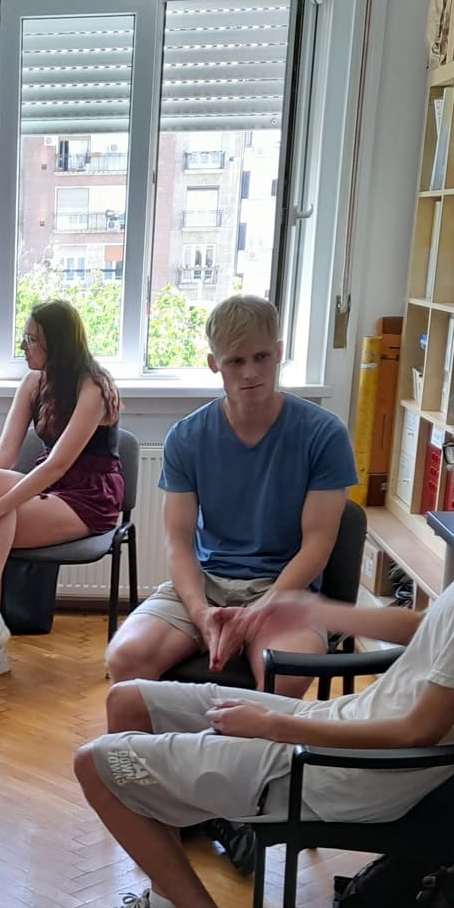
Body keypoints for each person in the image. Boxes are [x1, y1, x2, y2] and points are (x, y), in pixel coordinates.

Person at [66, 368, 454, 908]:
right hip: (332, 735)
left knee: (95, 764)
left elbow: (424, 728)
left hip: (338, 769)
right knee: (128, 701)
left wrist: (275, 724)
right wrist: (316, 612)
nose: (451, 459)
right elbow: (435, 628)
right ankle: (166, 900)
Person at [104, 295, 357, 694]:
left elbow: (318, 546)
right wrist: (200, 611)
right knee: (125, 658)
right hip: (205, 582)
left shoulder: (324, 434)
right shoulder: (187, 436)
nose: (250, 373)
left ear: (278, 353)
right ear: (214, 365)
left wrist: (257, 612)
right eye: (235, 362)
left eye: (260, 357)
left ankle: (246, 756)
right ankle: (168, 753)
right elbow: (179, 543)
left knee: (286, 671)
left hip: (284, 587)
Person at [0, 299, 123, 685]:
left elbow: (58, 464)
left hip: (88, 495)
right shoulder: (32, 383)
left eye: (31, 340)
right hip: (51, 487)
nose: (24, 347)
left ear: (57, 345)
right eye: (24, 338)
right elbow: (6, 450)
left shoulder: (92, 385)